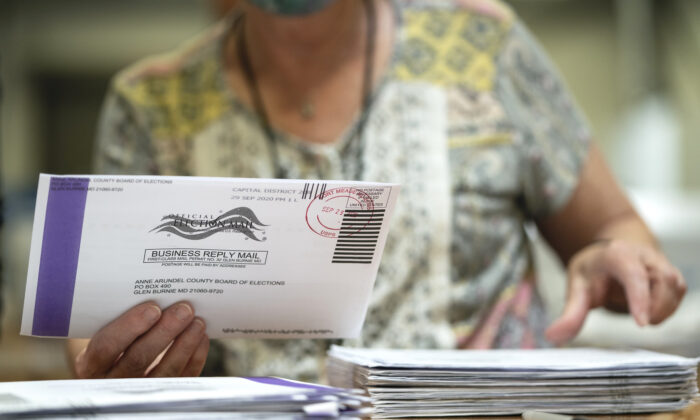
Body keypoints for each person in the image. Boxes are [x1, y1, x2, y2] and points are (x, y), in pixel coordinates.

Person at [67, 0, 686, 381]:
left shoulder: (482, 47)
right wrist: (111, 362)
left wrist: (619, 256)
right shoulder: (150, 104)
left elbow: (618, 229)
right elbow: (93, 327)